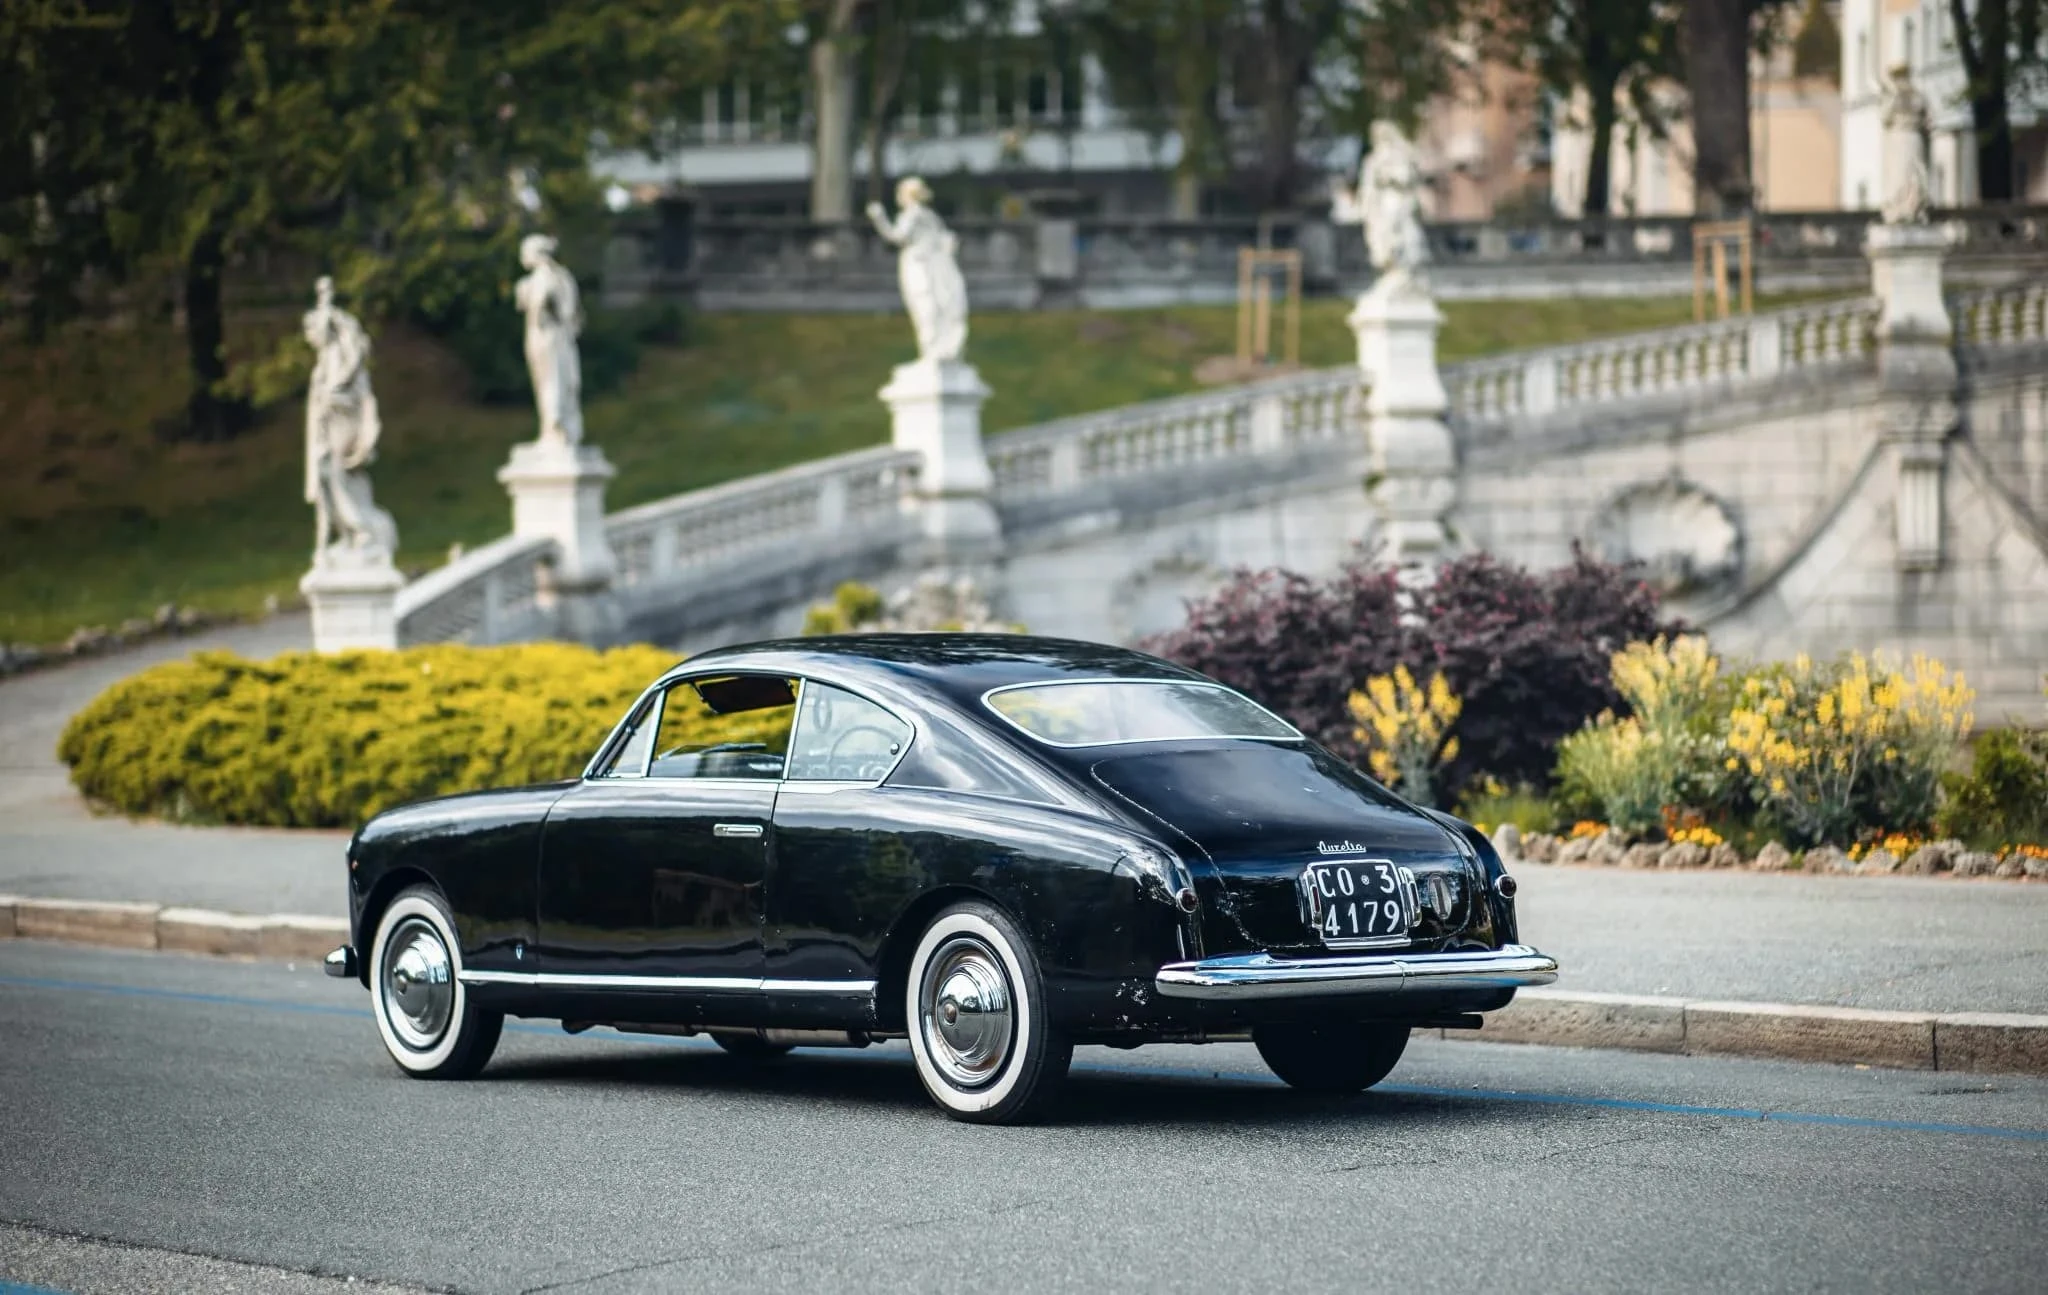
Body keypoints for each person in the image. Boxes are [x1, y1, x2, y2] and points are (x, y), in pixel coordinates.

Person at [303, 277, 397, 558]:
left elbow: (351, 384)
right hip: (325, 430)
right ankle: (343, 535)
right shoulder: (326, 361)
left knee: (337, 475)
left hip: (341, 427)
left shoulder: (344, 359)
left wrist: (329, 309)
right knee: (327, 482)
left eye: (311, 330)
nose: (309, 337)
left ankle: (362, 530)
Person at [866, 176, 969, 363]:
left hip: (921, 265)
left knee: (925, 306)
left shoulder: (913, 214)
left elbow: (897, 237)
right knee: (937, 306)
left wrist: (879, 218)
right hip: (937, 266)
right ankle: (941, 349)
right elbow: (946, 240)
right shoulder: (930, 215)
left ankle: (933, 351)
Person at [515, 234, 585, 444]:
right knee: (545, 381)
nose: (522, 257)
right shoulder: (533, 281)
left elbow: (567, 313)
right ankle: (551, 429)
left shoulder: (555, 278)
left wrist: (544, 302)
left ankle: (557, 427)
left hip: (551, 338)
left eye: (524, 252)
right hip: (539, 337)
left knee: (553, 380)